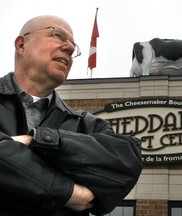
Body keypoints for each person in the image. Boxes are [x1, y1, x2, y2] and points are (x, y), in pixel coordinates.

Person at [0, 15, 143, 216]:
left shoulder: (90, 126)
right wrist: (69, 193)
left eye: (73, 44)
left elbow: (126, 164)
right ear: (22, 44)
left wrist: (39, 140)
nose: (70, 48)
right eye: (57, 35)